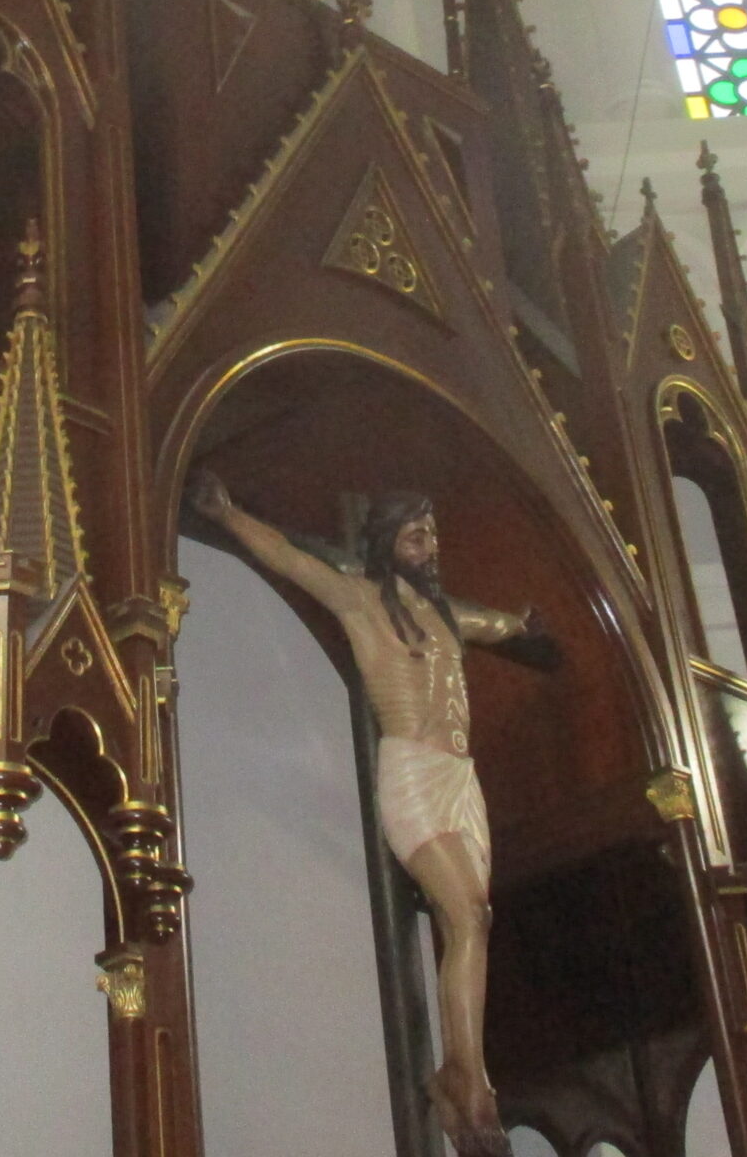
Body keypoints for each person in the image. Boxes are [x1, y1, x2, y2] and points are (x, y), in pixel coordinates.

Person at [187, 470, 548, 1157]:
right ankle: (469, 1080)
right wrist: (229, 514)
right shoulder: (357, 599)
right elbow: (289, 558)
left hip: (461, 778)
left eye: (432, 534)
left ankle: (462, 1072)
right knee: (468, 914)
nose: (429, 546)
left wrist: (524, 625)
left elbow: (497, 624)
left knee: (473, 921)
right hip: (413, 770)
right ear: (385, 542)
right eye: (414, 534)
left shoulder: (447, 616)